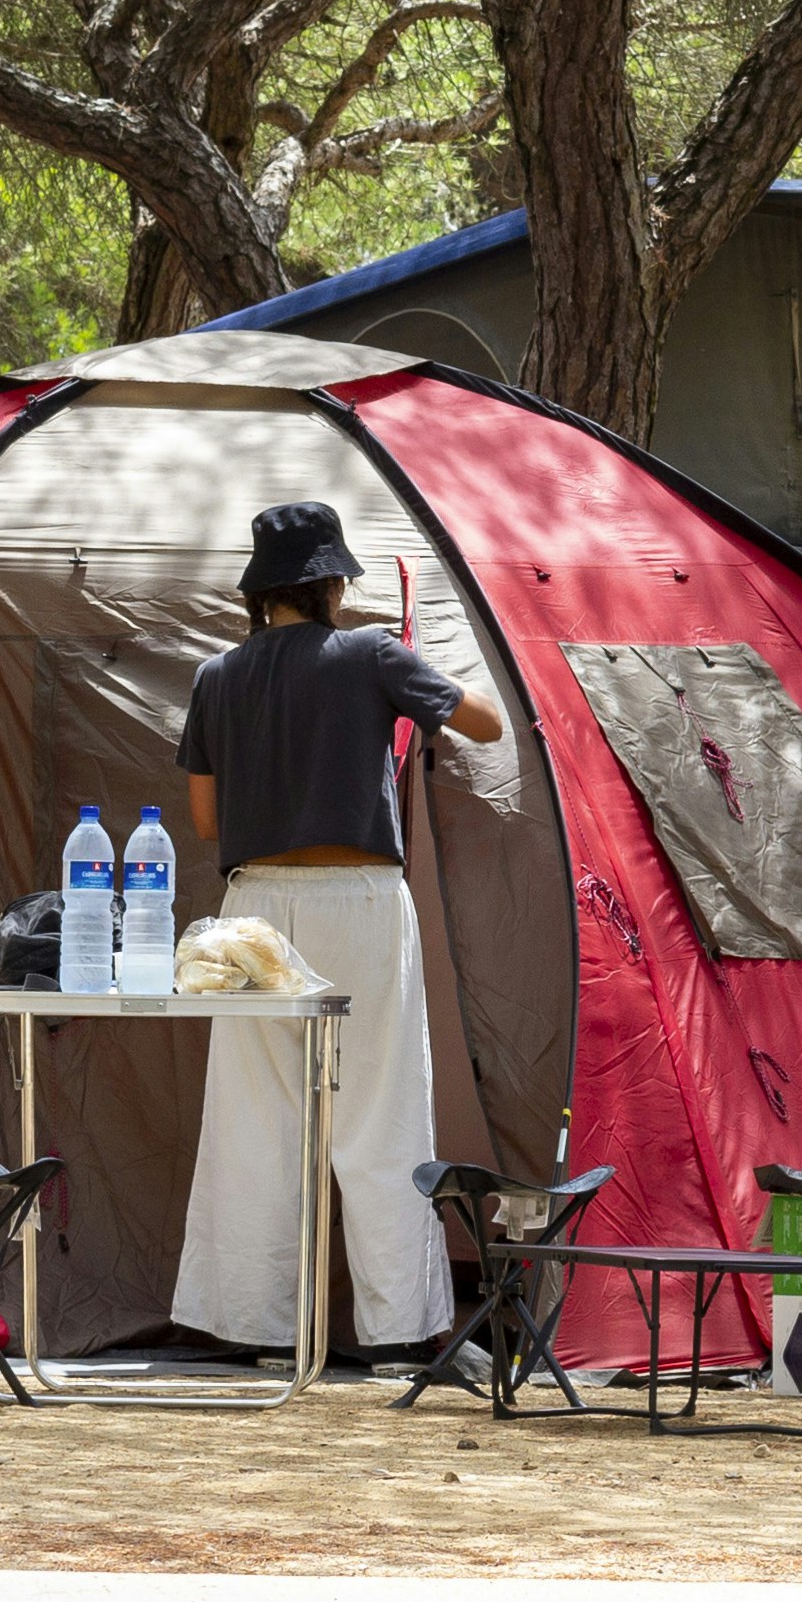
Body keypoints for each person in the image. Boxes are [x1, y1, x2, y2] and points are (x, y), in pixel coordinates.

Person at [170, 500, 508, 1362]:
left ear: (260, 592)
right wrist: (416, 674)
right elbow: (486, 723)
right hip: (356, 897)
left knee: (255, 1118)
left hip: (252, 911)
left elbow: (204, 822)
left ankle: (248, 1324)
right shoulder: (369, 653)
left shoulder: (216, 675)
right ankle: (403, 1329)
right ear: (331, 586)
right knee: (379, 1111)